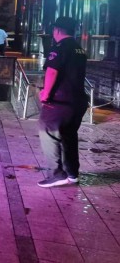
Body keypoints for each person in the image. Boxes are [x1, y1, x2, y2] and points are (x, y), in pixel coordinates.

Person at [37, 17, 87, 188]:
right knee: (69, 135)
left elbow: (52, 71)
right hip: (77, 101)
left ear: (57, 30)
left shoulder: (59, 47)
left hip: (60, 101)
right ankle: (72, 173)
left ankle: (56, 174)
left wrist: (45, 94)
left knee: (47, 131)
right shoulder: (79, 49)